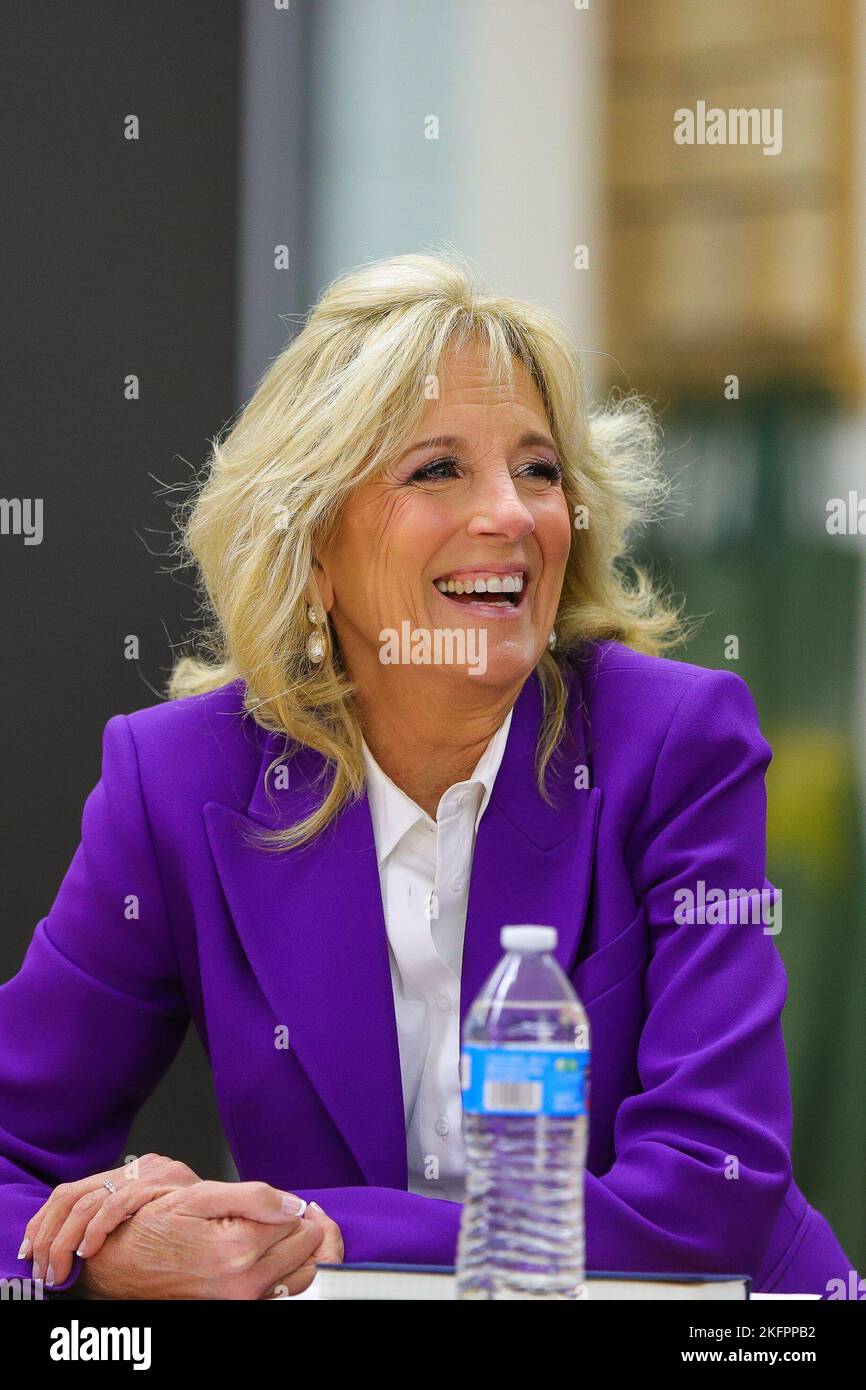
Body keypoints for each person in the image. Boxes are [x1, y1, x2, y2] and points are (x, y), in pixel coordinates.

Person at [0, 254, 855, 1298]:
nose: (508, 513)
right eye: (436, 469)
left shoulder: (675, 743)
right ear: (311, 545)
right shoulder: (179, 777)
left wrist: (302, 1226)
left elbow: (705, 1193)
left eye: (537, 470)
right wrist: (111, 1252)